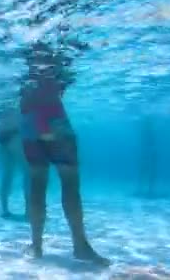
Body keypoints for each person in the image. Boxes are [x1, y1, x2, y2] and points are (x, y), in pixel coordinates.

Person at [19, 42, 108, 265]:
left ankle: (37, 246)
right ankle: (80, 246)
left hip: (29, 123)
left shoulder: (22, 59)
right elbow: (61, 82)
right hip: (55, 120)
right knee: (69, 183)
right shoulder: (57, 56)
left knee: (37, 184)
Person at [0, 105, 28, 218]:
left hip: (1, 134)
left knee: (7, 174)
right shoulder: (18, 96)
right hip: (15, 134)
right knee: (27, 172)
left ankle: (4, 210)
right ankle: (29, 211)